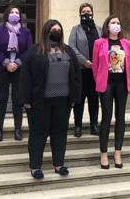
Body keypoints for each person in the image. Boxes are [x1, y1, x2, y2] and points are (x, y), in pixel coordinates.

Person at [18, 20, 82, 180]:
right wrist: (25, 99)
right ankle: (35, 167)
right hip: (40, 101)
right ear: (46, 31)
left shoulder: (68, 50)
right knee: (38, 134)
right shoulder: (35, 51)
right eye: (53, 29)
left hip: (63, 100)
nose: (56, 32)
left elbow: (76, 75)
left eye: (59, 29)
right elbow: (25, 76)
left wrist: (74, 97)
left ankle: (59, 164)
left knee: (60, 133)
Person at [92, 16, 130, 169]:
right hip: (106, 84)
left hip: (122, 84)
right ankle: (103, 153)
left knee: (120, 117)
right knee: (107, 117)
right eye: (113, 23)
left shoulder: (126, 43)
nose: (116, 25)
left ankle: (117, 151)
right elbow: (95, 65)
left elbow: (128, 63)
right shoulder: (99, 42)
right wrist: (100, 81)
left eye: (118, 23)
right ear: (107, 26)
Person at [0, 5, 32, 142]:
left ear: (20, 16)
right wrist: (7, 63)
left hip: (19, 70)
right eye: (12, 12)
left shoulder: (26, 32)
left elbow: (29, 50)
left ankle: (18, 129)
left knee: (17, 99)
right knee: (2, 98)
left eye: (17, 12)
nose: (14, 14)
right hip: (2, 69)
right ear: (7, 15)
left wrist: (17, 63)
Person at [69, 3, 102, 138]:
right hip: (81, 71)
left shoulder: (99, 30)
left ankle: (94, 125)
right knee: (79, 99)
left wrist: (97, 63)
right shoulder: (75, 29)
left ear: (93, 13)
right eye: (83, 11)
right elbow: (72, 47)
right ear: (80, 14)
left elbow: (104, 48)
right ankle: (78, 126)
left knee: (94, 99)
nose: (86, 13)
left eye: (88, 11)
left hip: (96, 71)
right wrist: (85, 61)